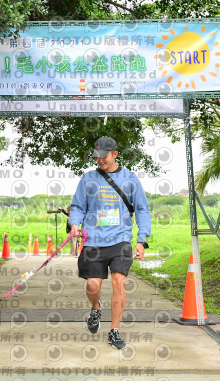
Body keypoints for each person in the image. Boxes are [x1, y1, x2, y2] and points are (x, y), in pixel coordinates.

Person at [69, 136, 151, 350]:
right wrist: (75, 223)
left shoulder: (130, 179)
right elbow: (77, 206)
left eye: (104, 156)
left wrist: (142, 239)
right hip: (93, 240)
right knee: (92, 285)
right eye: (96, 157)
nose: (100, 160)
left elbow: (142, 209)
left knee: (119, 282)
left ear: (115, 154)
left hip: (120, 239)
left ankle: (114, 330)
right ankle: (96, 308)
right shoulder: (88, 179)